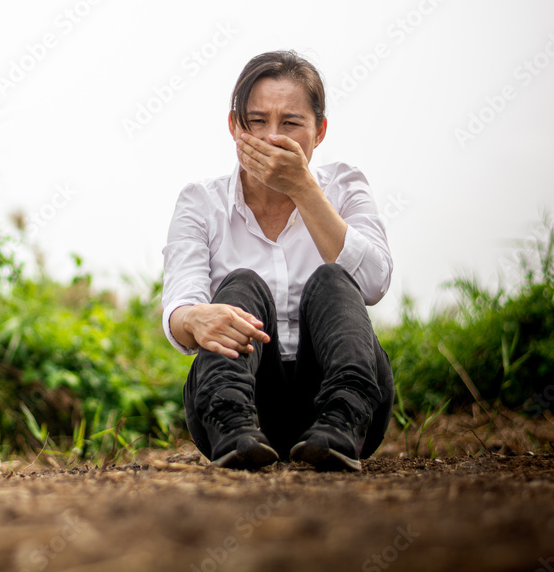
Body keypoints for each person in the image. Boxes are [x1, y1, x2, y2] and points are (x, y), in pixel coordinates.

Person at [161, 50, 395, 472]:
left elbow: (374, 283)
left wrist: (303, 188)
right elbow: (180, 305)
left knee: (332, 279)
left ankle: (342, 421)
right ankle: (234, 427)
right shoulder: (201, 202)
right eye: (256, 121)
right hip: (242, 404)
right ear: (234, 127)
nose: (272, 138)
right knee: (241, 283)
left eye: (290, 123)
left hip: (341, 403)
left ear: (319, 131)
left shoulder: (345, 185)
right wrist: (195, 318)